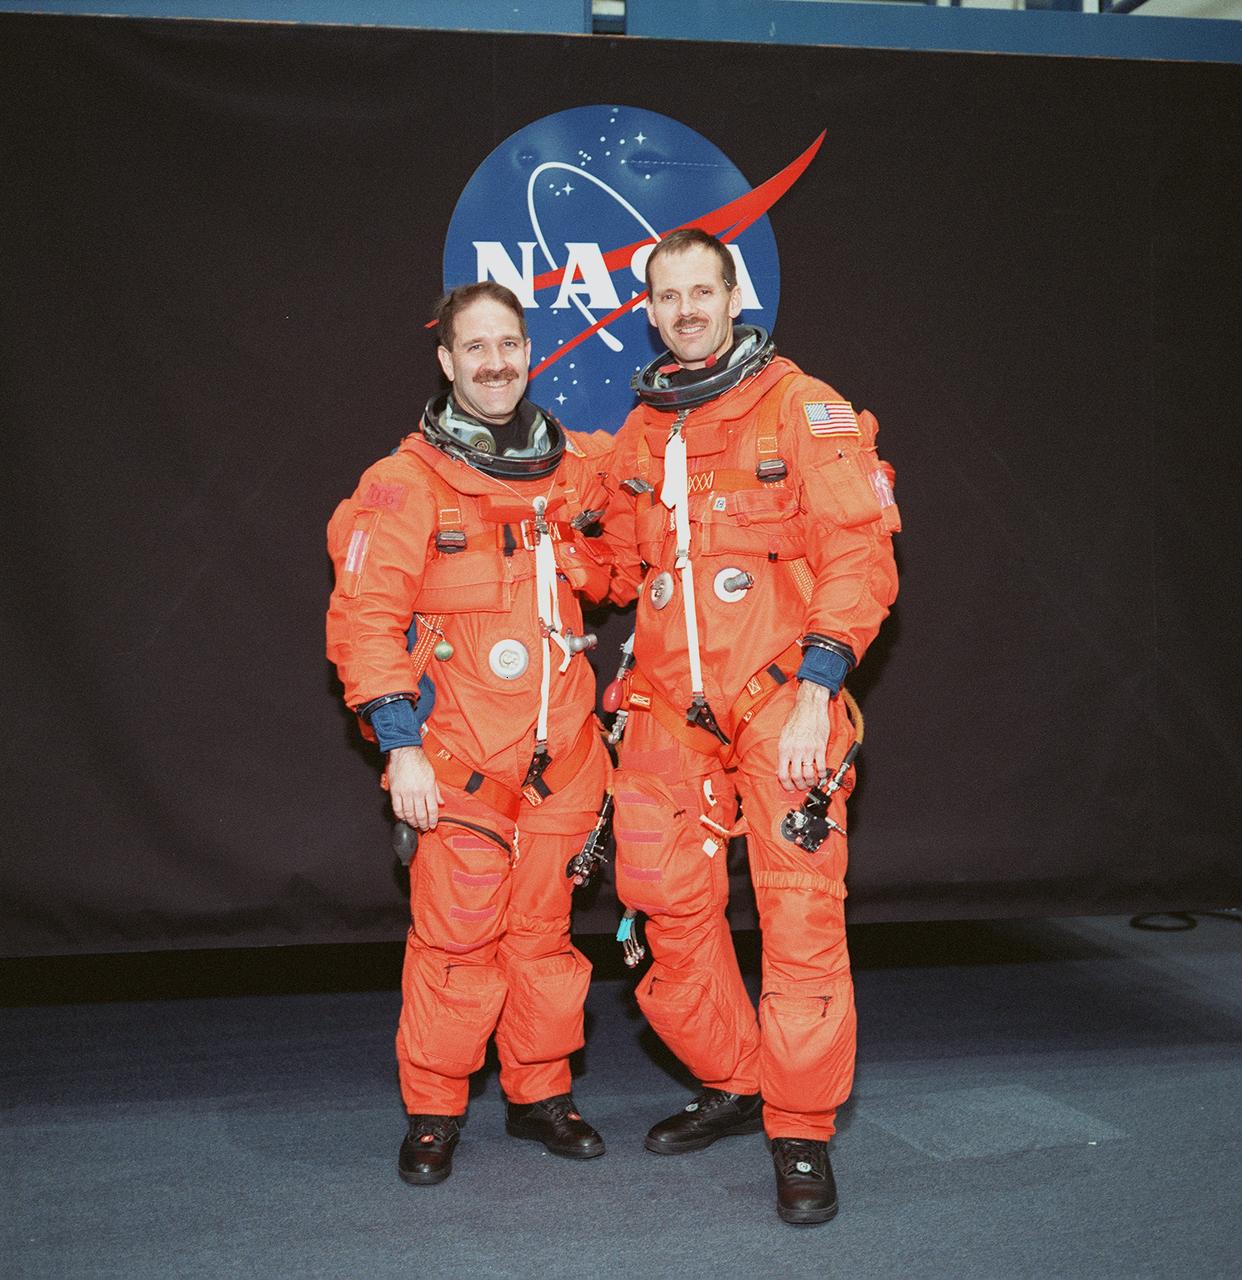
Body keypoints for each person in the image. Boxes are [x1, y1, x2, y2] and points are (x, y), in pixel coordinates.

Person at [600, 229, 900, 1225]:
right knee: (658, 899)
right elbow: (600, 560)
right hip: (666, 705)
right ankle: (738, 1075)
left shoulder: (799, 407)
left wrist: (821, 684)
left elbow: (858, 555)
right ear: (651, 311)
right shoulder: (642, 432)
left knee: (799, 909)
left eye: (702, 290)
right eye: (668, 295)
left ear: (734, 296)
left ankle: (802, 1124)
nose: (686, 308)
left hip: (781, 695)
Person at [326, 282, 615, 1186]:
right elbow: (366, 620)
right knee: (454, 946)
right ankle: (434, 1110)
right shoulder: (402, 485)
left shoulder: (571, 472)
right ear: (448, 362)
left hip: (562, 761)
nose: (495, 362)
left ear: (529, 352)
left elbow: (630, 548)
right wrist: (399, 742)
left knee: (543, 939)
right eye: (475, 348)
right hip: (458, 763)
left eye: (508, 344)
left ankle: (539, 1095)